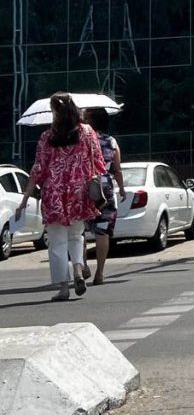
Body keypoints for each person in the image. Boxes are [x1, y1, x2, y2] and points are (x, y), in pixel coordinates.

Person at [16, 93, 106, 301]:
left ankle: (64, 287)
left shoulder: (47, 137)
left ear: (54, 112)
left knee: (57, 242)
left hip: (53, 194)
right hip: (78, 192)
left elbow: (38, 170)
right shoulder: (88, 132)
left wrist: (25, 198)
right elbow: (98, 161)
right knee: (77, 235)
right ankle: (78, 270)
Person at [82, 107, 126, 286]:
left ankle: (83, 265)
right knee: (102, 230)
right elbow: (117, 168)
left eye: (85, 118)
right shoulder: (111, 141)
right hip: (105, 187)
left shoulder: (79, 140)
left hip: (83, 187)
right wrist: (121, 188)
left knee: (80, 231)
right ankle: (99, 273)